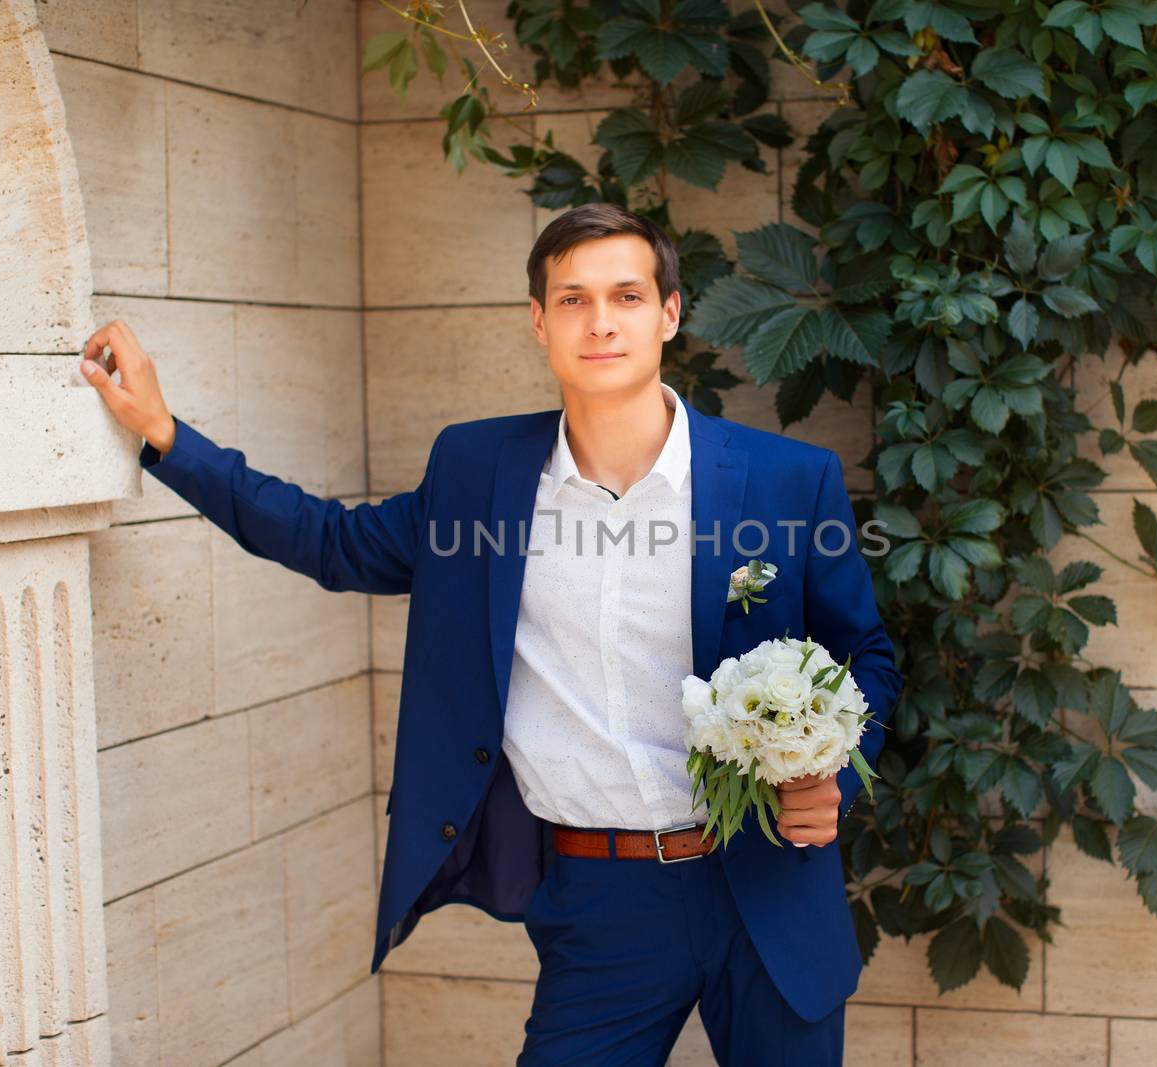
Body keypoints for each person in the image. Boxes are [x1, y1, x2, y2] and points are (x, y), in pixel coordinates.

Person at [80, 202, 901, 1065]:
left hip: (767, 880)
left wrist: (834, 775)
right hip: (599, 900)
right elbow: (332, 541)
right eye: (573, 300)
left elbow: (866, 659)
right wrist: (165, 435)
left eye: (625, 295)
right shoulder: (479, 474)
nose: (600, 321)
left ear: (668, 314)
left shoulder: (786, 480)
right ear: (539, 322)